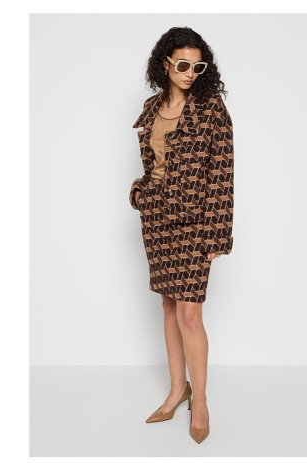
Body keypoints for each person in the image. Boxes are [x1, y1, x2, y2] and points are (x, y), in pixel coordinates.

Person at [129, 27, 234, 444]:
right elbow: (151, 166)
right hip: (157, 220)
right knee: (169, 305)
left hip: (194, 223)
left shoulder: (211, 109)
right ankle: (178, 390)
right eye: (183, 65)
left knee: (190, 314)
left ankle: (201, 400)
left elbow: (222, 174)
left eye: (198, 66)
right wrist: (140, 193)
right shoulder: (151, 108)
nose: (191, 73)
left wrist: (216, 236)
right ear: (166, 65)